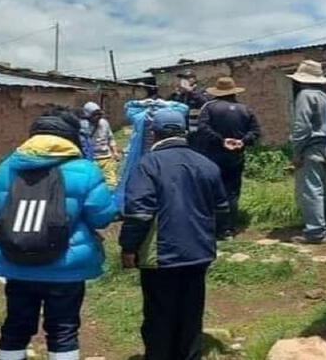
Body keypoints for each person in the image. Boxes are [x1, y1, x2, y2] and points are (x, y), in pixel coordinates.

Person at [0, 107, 116, 360]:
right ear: (71, 137)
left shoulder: (7, 166)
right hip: (67, 265)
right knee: (63, 329)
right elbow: (101, 217)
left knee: (16, 324)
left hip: (16, 259)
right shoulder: (85, 169)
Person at [118, 110, 229, 360]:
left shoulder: (148, 164)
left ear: (154, 134)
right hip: (199, 253)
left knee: (159, 314)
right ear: (184, 132)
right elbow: (222, 210)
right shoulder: (206, 164)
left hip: (162, 255)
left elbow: (139, 213)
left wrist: (128, 247)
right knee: (191, 312)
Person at [199, 77, 261, 239]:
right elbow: (255, 132)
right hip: (236, 157)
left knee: (213, 191)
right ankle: (229, 229)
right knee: (232, 192)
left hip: (212, 156)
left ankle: (215, 227)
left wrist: (221, 140)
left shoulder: (209, 108)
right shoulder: (245, 109)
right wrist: (242, 141)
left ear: (217, 92)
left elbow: (203, 129)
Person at [287, 60, 326, 244]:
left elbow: (302, 127)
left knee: (310, 191)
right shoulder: (325, 96)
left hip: (311, 147)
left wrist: (297, 151)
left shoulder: (305, 95)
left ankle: (315, 232)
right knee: (323, 191)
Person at [168, 69, 210, 152]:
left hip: (198, 128)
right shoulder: (181, 94)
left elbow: (206, 103)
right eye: (182, 78)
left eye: (186, 78)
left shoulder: (200, 91)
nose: (183, 80)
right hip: (184, 129)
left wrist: (190, 91)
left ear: (193, 79)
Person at [81, 101, 120, 189]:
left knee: (111, 183)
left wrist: (115, 152)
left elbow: (110, 138)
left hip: (106, 157)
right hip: (91, 159)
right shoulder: (83, 126)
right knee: (92, 183)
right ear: (88, 115)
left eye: (99, 114)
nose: (97, 117)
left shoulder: (104, 123)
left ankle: (109, 200)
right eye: (94, 115)